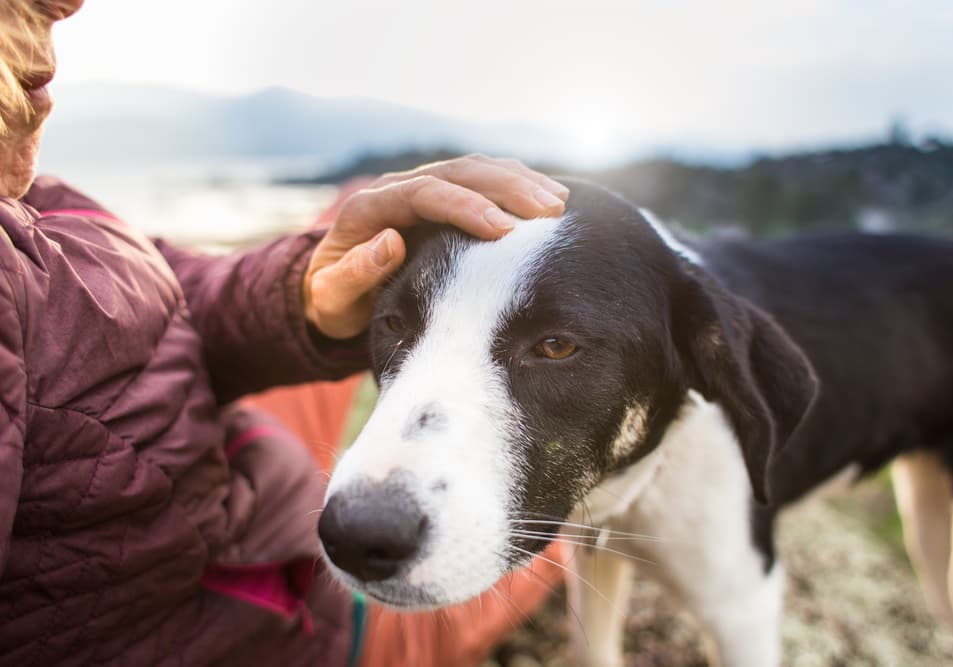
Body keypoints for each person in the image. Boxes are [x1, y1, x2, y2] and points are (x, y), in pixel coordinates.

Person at [0, 1, 570, 665]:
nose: (65, 5)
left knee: (361, 207)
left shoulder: (30, 202)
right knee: (550, 544)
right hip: (299, 614)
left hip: (238, 472)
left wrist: (303, 292)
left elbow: (151, 296)